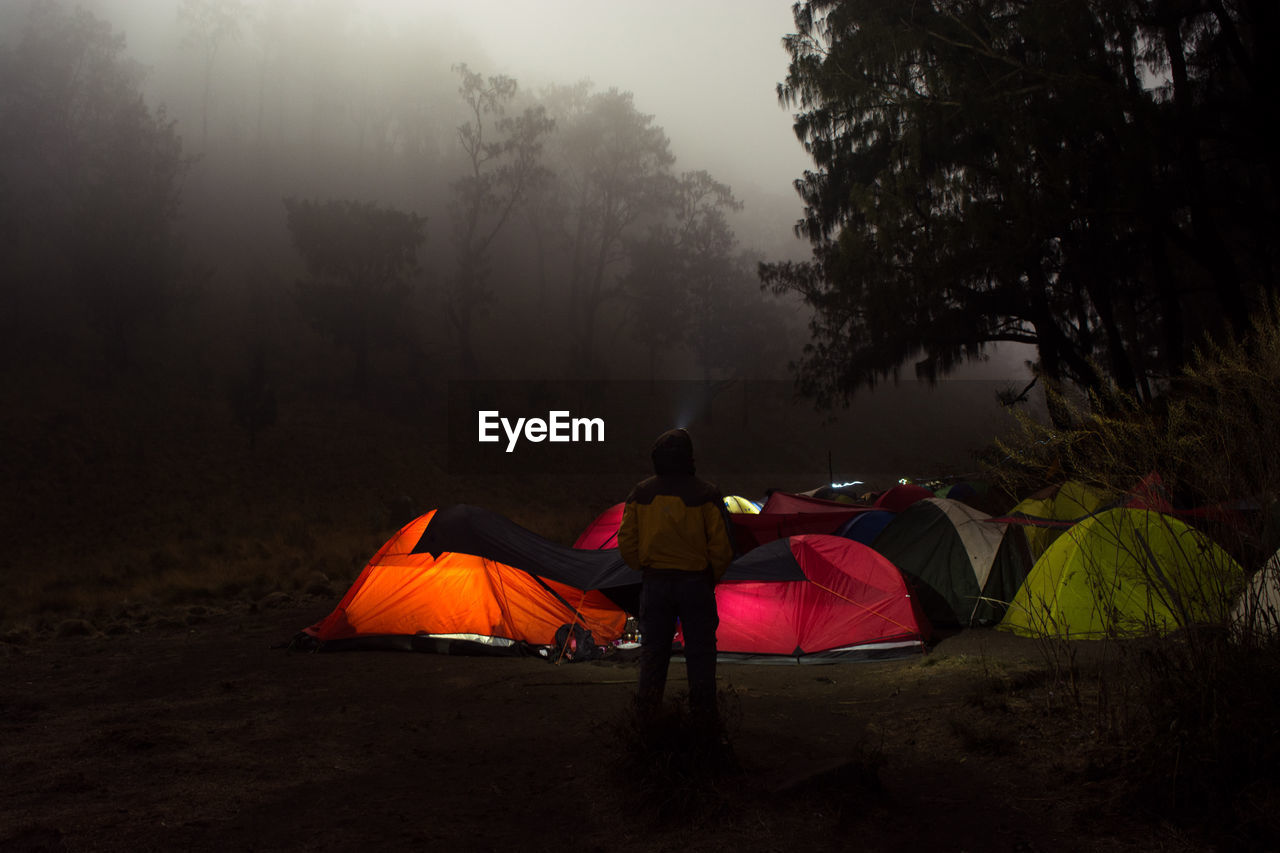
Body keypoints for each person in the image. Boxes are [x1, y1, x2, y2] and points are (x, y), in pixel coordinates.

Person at [618, 428, 734, 727]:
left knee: (654, 656)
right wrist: (710, 577)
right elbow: (721, 546)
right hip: (696, 583)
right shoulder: (706, 494)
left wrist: (644, 567)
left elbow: (626, 542)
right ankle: (704, 724)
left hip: (656, 583)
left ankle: (646, 723)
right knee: (701, 656)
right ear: (689, 458)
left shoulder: (640, 493)